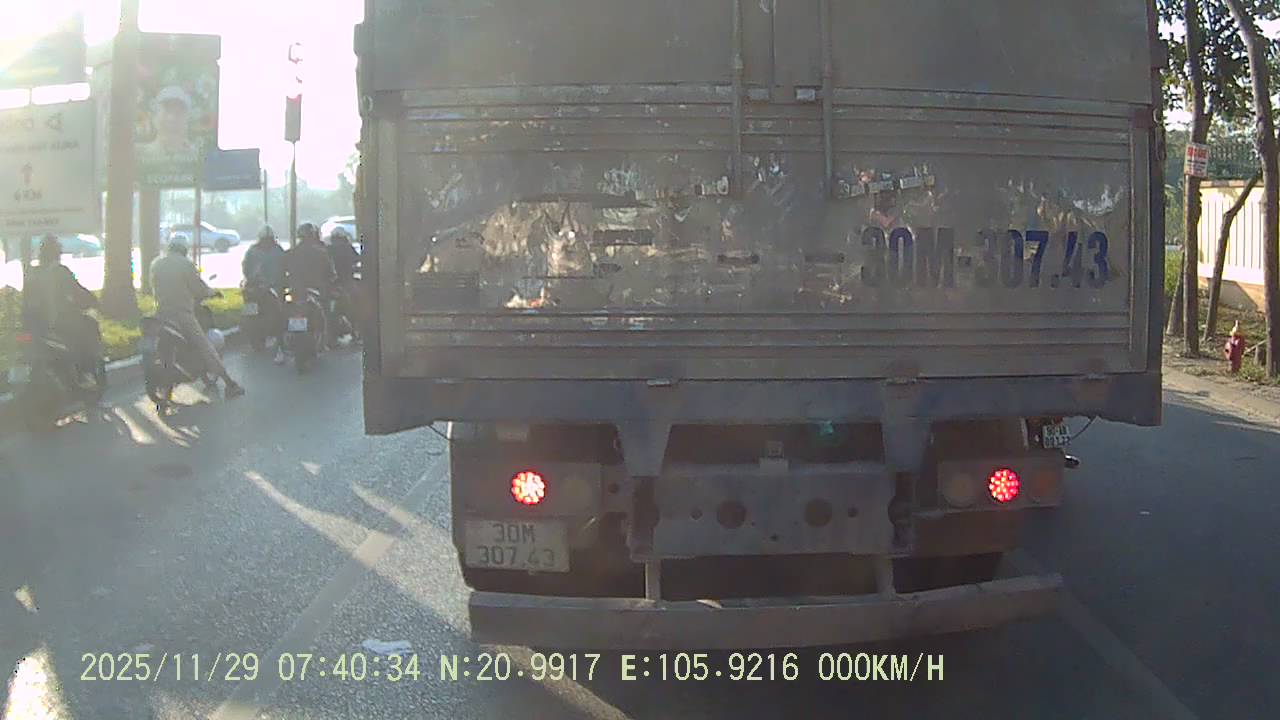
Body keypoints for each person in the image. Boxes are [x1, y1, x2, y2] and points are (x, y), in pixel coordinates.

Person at [150, 240, 245, 398]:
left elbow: (152, 287)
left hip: (161, 315)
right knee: (205, 346)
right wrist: (212, 292)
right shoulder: (185, 264)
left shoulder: (156, 264)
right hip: (182, 314)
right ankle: (230, 383)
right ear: (184, 249)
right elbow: (199, 289)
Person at [21, 235, 105, 402]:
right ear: (56, 253)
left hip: (32, 326)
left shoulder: (31, 273)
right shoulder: (60, 271)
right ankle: (85, 374)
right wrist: (93, 301)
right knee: (87, 334)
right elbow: (78, 293)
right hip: (58, 324)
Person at [285, 222, 337, 347]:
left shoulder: (291, 253)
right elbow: (331, 273)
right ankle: (328, 339)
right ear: (313, 236)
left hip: (296, 291)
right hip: (317, 290)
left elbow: (284, 270)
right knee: (327, 311)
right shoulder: (321, 252)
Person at [243, 225, 288, 363]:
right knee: (279, 312)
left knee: (280, 310)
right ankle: (279, 338)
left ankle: (279, 337)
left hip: (269, 287)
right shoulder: (274, 251)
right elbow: (245, 269)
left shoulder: (255, 250)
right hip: (263, 288)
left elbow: (245, 268)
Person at [326, 227, 362, 345]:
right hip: (345, 282)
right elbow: (357, 259)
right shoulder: (347, 248)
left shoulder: (328, 249)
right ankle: (356, 331)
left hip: (332, 283)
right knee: (355, 305)